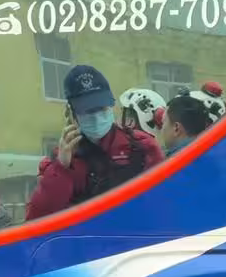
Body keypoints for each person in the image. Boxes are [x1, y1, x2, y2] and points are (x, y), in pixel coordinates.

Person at [26, 65, 165, 221]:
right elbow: (36, 221)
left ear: (111, 105)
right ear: (71, 114)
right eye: (88, 110)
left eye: (102, 107)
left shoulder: (142, 147)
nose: (97, 116)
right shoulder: (59, 161)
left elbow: (164, 204)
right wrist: (62, 167)